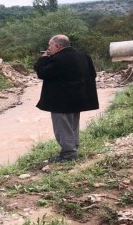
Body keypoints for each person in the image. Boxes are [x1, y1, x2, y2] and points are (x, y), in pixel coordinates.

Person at [34, 34, 99, 163]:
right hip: (79, 97)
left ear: (57, 46)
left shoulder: (58, 59)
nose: (48, 48)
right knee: (73, 125)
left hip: (62, 100)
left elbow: (42, 73)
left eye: (49, 46)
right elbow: (93, 74)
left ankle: (68, 153)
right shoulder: (83, 56)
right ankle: (73, 147)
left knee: (62, 126)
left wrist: (43, 59)